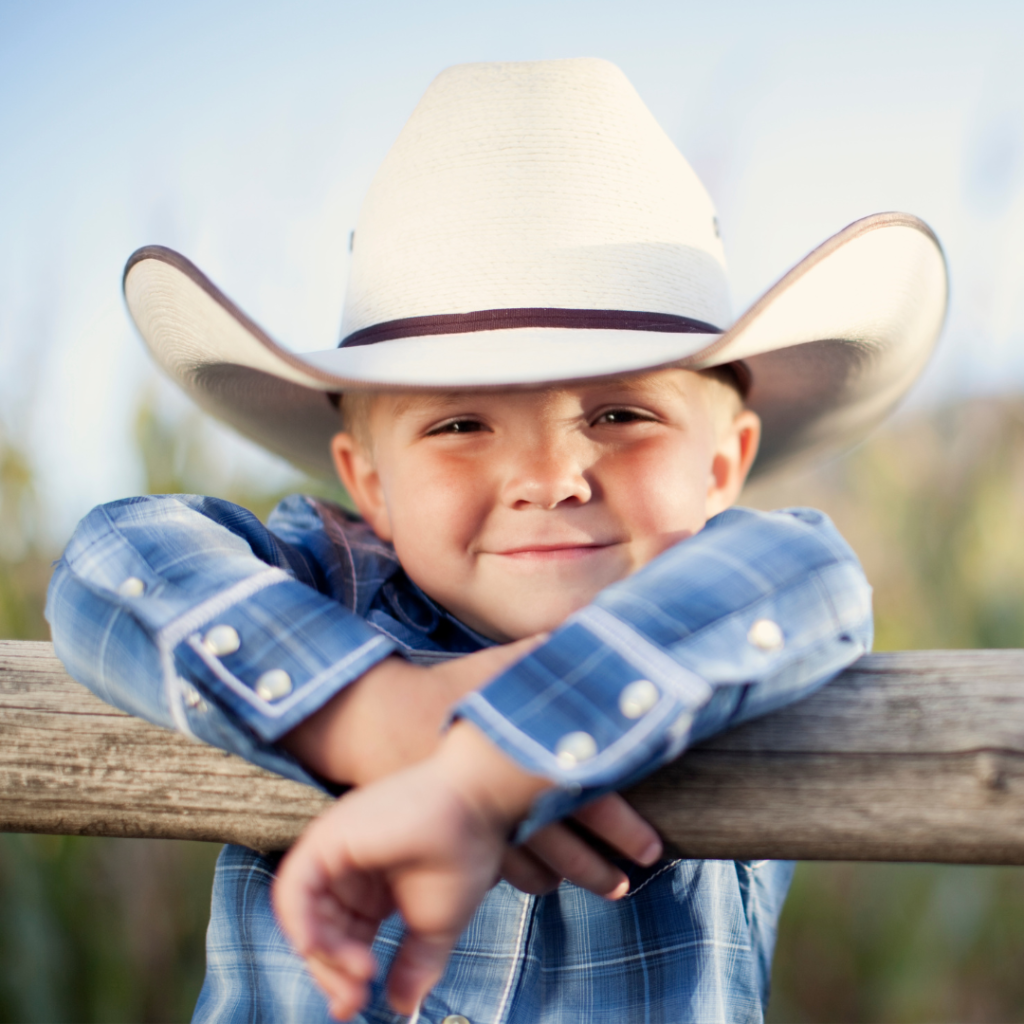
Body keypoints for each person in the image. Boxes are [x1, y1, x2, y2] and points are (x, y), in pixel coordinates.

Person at [46, 58, 947, 1024]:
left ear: (723, 467)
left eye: (620, 413)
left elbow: (813, 576)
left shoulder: (736, 624)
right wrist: (382, 715)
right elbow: (113, 559)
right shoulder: (329, 585)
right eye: (461, 425)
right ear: (370, 484)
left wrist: (478, 778)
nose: (551, 476)